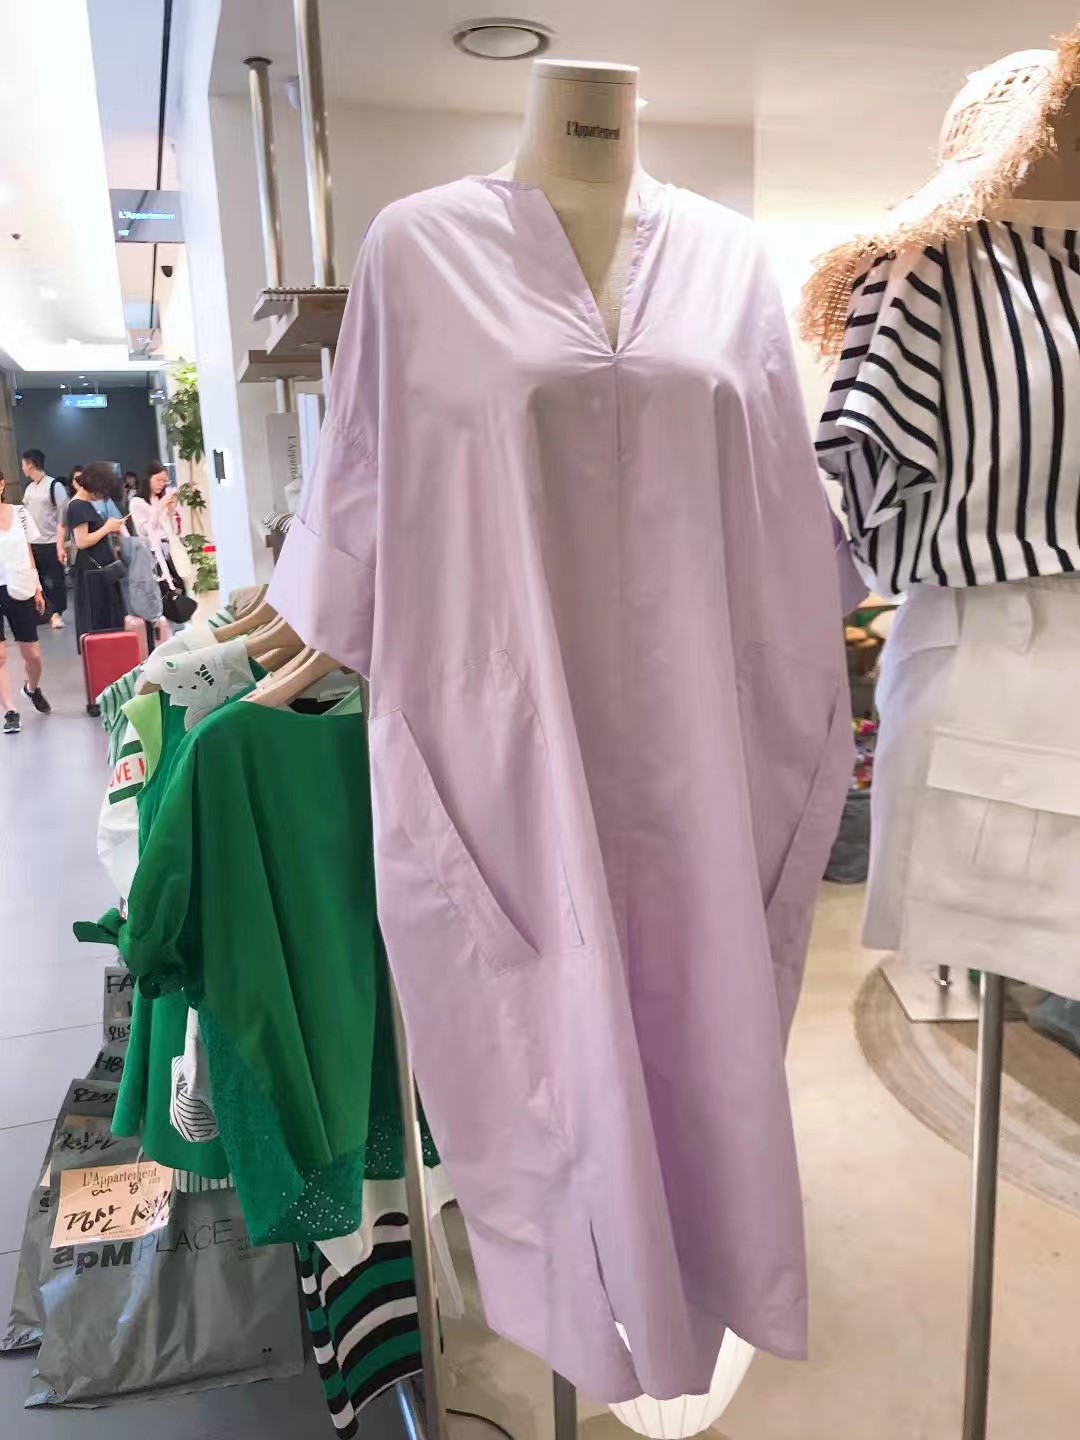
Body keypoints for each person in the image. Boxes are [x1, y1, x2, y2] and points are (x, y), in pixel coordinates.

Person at [0, 470, 50, 733]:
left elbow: (29, 553)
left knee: (33, 655)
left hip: (20, 587)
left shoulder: (20, 513)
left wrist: (37, 588)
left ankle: (31, 688)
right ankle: (10, 711)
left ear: (1, 485)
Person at [68, 461, 127, 647]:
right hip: (93, 572)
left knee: (106, 617)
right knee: (98, 619)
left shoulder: (85, 504)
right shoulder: (78, 505)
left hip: (100, 570)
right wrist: (107, 528)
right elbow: (82, 541)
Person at [19, 448, 68, 631]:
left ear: (31, 465)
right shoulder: (30, 488)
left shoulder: (54, 486)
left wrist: (61, 544)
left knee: (56, 580)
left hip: (51, 542)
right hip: (34, 543)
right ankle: (47, 612)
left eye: (24, 464)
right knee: (37, 580)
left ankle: (57, 613)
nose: (23, 468)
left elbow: (63, 517)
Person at [130, 461, 186, 603]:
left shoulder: (159, 498)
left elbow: (172, 529)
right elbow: (144, 530)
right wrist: (160, 506)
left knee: (179, 589)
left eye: (164, 481)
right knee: (164, 594)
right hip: (154, 556)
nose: (161, 484)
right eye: (158, 480)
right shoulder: (137, 502)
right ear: (148, 478)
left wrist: (172, 511)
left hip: (171, 551)